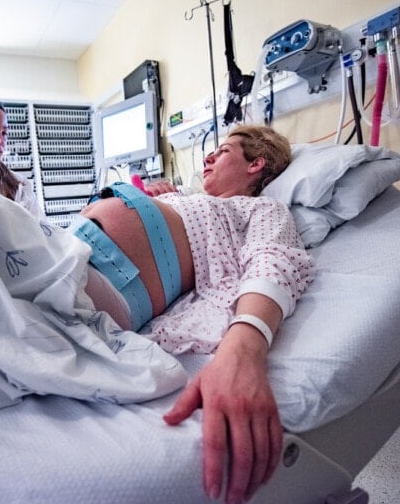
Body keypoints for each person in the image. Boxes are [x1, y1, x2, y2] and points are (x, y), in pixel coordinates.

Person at [72, 124, 314, 504]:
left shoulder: (261, 208)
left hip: (99, 286)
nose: (209, 157)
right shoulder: (184, 196)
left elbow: (275, 260)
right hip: (65, 247)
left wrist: (244, 348)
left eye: (224, 151)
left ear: (256, 165)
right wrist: (154, 197)